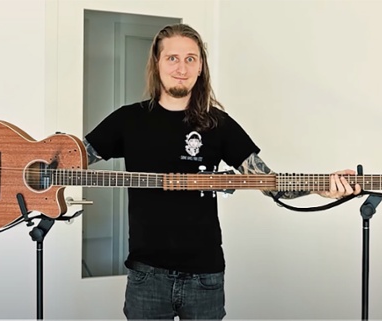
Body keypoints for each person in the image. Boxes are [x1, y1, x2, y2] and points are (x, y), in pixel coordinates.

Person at [83, 23, 361, 320]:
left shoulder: (218, 124)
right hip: (146, 275)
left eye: (190, 58)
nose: (181, 67)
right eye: (172, 58)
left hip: (205, 277)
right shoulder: (129, 120)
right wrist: (32, 167)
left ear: (201, 66)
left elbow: (271, 183)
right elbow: (71, 159)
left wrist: (320, 186)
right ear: (157, 63)